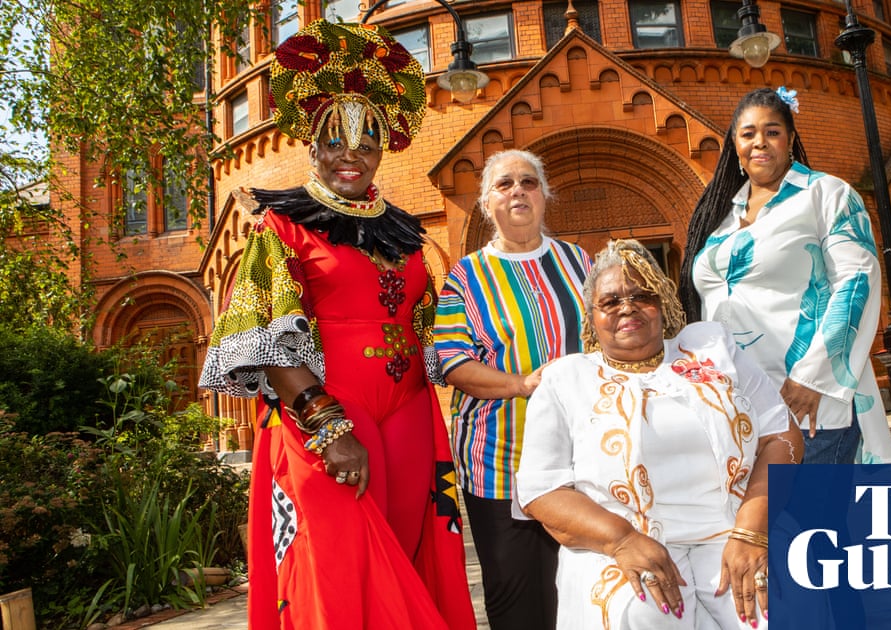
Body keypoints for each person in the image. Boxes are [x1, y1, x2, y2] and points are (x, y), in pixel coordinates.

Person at [199, 19, 475, 630]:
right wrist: (326, 425)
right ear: (313, 146)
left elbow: (437, 324)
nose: (351, 154)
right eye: (335, 142)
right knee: (340, 561)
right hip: (322, 411)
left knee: (404, 550)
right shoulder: (282, 227)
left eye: (366, 143)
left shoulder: (406, 231)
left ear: (384, 150)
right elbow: (267, 336)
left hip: (408, 409)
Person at [517, 239, 803, 630]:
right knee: (638, 615)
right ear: (592, 316)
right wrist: (621, 541)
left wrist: (752, 530)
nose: (627, 307)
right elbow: (542, 490)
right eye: (611, 300)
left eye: (641, 295)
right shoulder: (565, 380)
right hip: (623, 540)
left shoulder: (712, 351)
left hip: (733, 531)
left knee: (781, 607)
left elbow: (781, 435)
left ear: (662, 303)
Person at [679, 86, 891, 465]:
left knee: (808, 521)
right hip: (738, 409)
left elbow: (856, 283)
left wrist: (812, 379)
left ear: (791, 139)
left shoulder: (826, 195)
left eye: (772, 131)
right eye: (748, 134)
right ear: (734, 145)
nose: (759, 142)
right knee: (760, 525)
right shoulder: (720, 219)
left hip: (806, 404)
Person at [433, 149, 592, 630]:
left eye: (528, 182)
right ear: (486, 203)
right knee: (518, 600)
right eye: (504, 185)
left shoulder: (578, 261)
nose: (518, 191)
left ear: (545, 196)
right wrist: (521, 385)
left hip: (582, 459)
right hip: (501, 465)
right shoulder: (467, 274)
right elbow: (454, 363)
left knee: (583, 593)